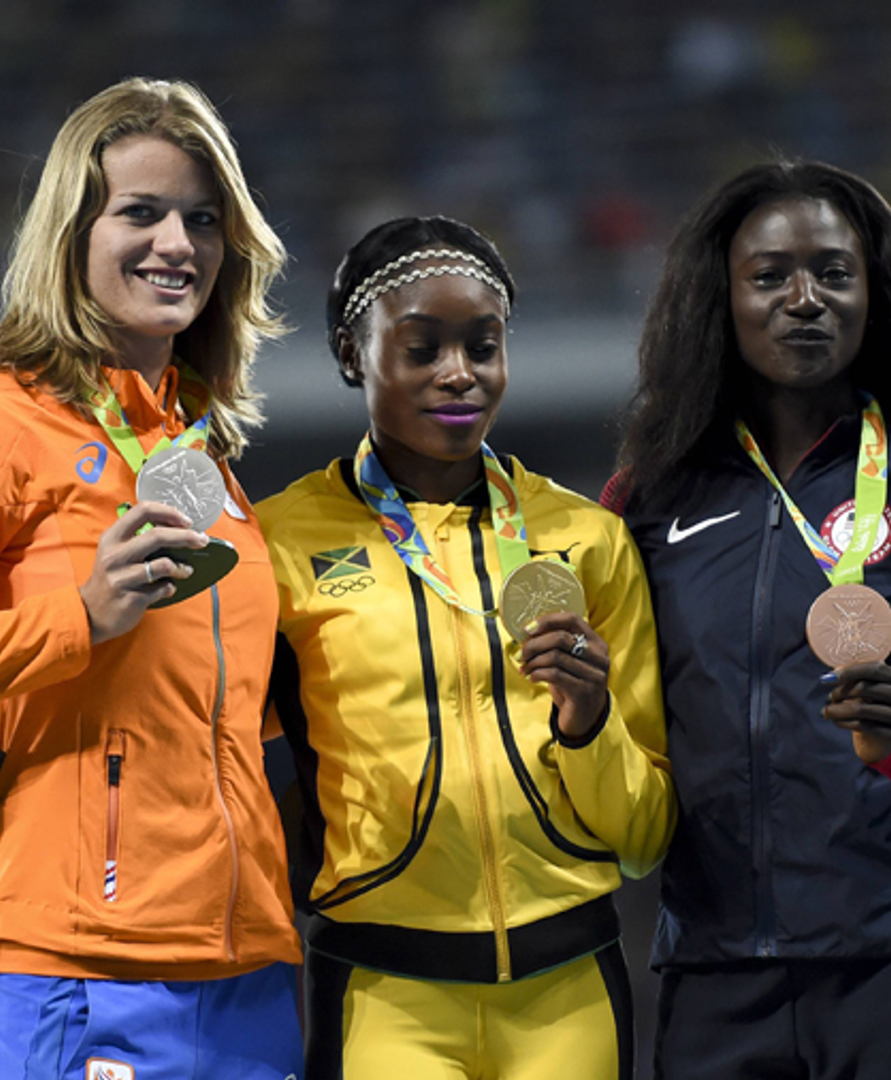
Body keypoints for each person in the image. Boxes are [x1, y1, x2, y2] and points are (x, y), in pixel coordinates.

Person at [0, 77, 303, 1080]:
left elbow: (218, 707)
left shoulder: (199, 456)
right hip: (66, 972)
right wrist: (78, 618)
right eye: (141, 213)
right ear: (70, 236)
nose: (178, 243)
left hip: (246, 978)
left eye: (203, 219)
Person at [603, 160, 891, 1079]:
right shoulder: (643, 507)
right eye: (770, 275)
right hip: (713, 979)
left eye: (834, 273)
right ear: (720, 300)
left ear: (874, 295)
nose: (805, 298)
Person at [258, 216, 676, 1080]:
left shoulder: (586, 539)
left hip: (570, 988)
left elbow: (644, 836)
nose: (459, 373)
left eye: (482, 347)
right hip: (382, 989)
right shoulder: (279, 543)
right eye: (423, 349)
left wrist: (588, 722)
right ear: (352, 353)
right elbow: (204, 742)